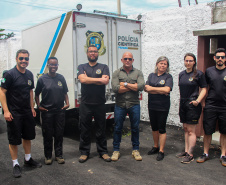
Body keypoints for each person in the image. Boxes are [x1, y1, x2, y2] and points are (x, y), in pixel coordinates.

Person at [0, 49, 42, 178]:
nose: (24, 61)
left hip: (26, 112)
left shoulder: (29, 74)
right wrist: (6, 111)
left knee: (28, 136)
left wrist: (32, 108)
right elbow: (2, 92)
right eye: (21, 58)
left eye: (26, 58)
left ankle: (28, 159)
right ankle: (15, 164)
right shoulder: (9, 74)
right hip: (14, 113)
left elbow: (30, 91)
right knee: (14, 139)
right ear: (16, 59)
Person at [77, 45, 111, 163]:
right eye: (90, 51)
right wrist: (98, 80)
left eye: (95, 52)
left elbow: (105, 81)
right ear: (87, 53)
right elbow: (82, 80)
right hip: (85, 104)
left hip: (100, 103)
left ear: (98, 53)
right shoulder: (81, 67)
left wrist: (89, 79)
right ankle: (84, 153)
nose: (93, 53)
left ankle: (103, 152)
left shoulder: (104, 67)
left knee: (101, 128)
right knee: (84, 129)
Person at [35, 57, 69, 165]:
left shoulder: (61, 78)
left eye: (55, 65)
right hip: (47, 111)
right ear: (48, 66)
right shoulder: (42, 79)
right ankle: (48, 156)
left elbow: (65, 92)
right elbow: (36, 94)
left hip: (59, 111)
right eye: (51, 65)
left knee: (59, 134)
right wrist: (38, 105)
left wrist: (67, 103)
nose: (53, 67)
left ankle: (59, 155)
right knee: (48, 134)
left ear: (57, 66)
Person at [111, 52, 145, 161]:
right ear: (122, 60)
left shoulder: (138, 73)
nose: (127, 60)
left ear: (133, 60)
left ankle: (135, 150)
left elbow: (140, 86)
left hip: (134, 104)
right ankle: (116, 150)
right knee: (117, 128)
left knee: (135, 128)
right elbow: (116, 89)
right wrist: (132, 86)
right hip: (120, 105)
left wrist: (124, 84)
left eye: (129, 59)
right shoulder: (116, 73)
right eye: (125, 58)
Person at [196, 48, 226, 167]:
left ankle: (223, 155)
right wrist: (203, 102)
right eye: (218, 57)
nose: (220, 59)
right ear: (214, 58)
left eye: (222, 57)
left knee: (224, 132)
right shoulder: (209, 71)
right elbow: (204, 87)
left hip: (225, 107)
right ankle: (205, 153)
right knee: (208, 131)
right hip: (211, 105)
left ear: (225, 58)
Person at [176, 53, 207, 164]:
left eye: (190, 61)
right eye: (186, 60)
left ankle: (191, 154)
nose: (188, 63)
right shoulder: (181, 74)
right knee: (185, 128)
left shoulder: (198, 74)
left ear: (194, 62)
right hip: (183, 103)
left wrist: (197, 101)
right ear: (184, 61)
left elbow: (204, 89)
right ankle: (186, 151)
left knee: (191, 130)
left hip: (193, 104)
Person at [144, 56, 173, 161]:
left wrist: (153, 89)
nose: (163, 65)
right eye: (161, 63)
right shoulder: (151, 75)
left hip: (163, 107)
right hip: (152, 105)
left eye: (165, 64)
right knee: (154, 127)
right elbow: (146, 88)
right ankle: (155, 146)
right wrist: (159, 90)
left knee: (161, 128)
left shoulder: (168, 77)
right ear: (157, 64)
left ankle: (161, 150)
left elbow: (167, 90)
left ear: (167, 66)